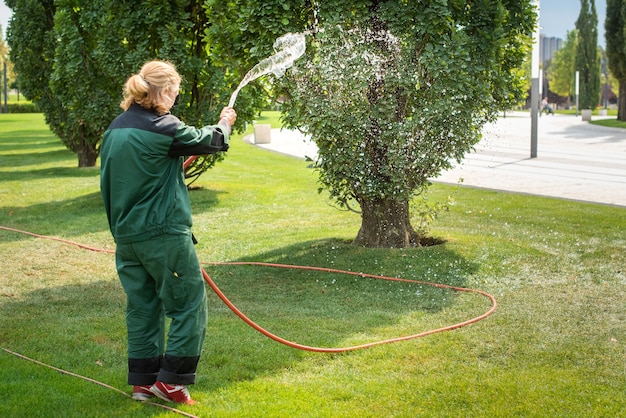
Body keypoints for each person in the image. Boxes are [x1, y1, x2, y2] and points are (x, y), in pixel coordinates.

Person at [100, 60, 236, 404]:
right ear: (160, 91)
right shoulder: (164, 127)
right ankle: (172, 382)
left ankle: (143, 384)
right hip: (163, 235)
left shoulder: (114, 129)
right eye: (174, 90)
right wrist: (225, 121)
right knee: (189, 304)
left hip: (127, 239)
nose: (175, 97)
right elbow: (212, 140)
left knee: (143, 307)